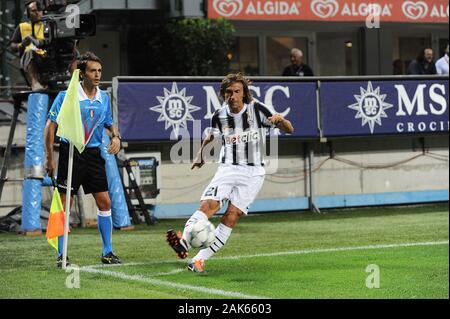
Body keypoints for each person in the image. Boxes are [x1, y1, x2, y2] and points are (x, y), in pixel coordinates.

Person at [166, 73, 294, 273]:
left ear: (244, 93)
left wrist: (280, 120)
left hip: (253, 173)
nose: (233, 95)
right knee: (210, 204)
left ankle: (198, 260)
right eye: (228, 92)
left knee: (232, 216)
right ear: (223, 94)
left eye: (237, 91)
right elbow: (211, 136)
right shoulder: (219, 115)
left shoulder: (257, 109)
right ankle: (184, 242)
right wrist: (200, 154)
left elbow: (290, 129)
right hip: (228, 168)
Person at [44, 52, 122, 268]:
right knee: (65, 205)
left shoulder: (103, 97)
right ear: (82, 74)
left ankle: (107, 252)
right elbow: (50, 126)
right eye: (92, 71)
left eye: (99, 71)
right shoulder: (67, 96)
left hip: (94, 155)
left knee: (104, 201)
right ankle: (62, 255)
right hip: (71, 153)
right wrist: (49, 158)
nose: (97, 75)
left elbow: (108, 123)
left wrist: (115, 137)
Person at [10, 0, 78, 90]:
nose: (37, 13)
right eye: (34, 11)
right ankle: (34, 83)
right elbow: (12, 46)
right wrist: (21, 45)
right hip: (34, 56)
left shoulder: (50, 24)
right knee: (30, 51)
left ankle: (76, 81)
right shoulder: (22, 27)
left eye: (39, 10)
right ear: (28, 13)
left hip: (50, 53)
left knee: (73, 51)